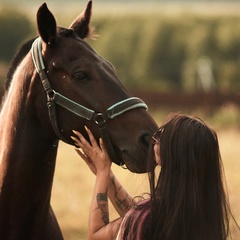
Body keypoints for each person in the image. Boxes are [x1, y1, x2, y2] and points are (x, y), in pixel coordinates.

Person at [71, 113, 239, 240]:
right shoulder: (203, 211)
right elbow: (138, 216)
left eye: (162, 136)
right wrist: (107, 175)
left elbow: (96, 236)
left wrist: (102, 174)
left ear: (175, 154)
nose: (154, 139)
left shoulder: (147, 216)